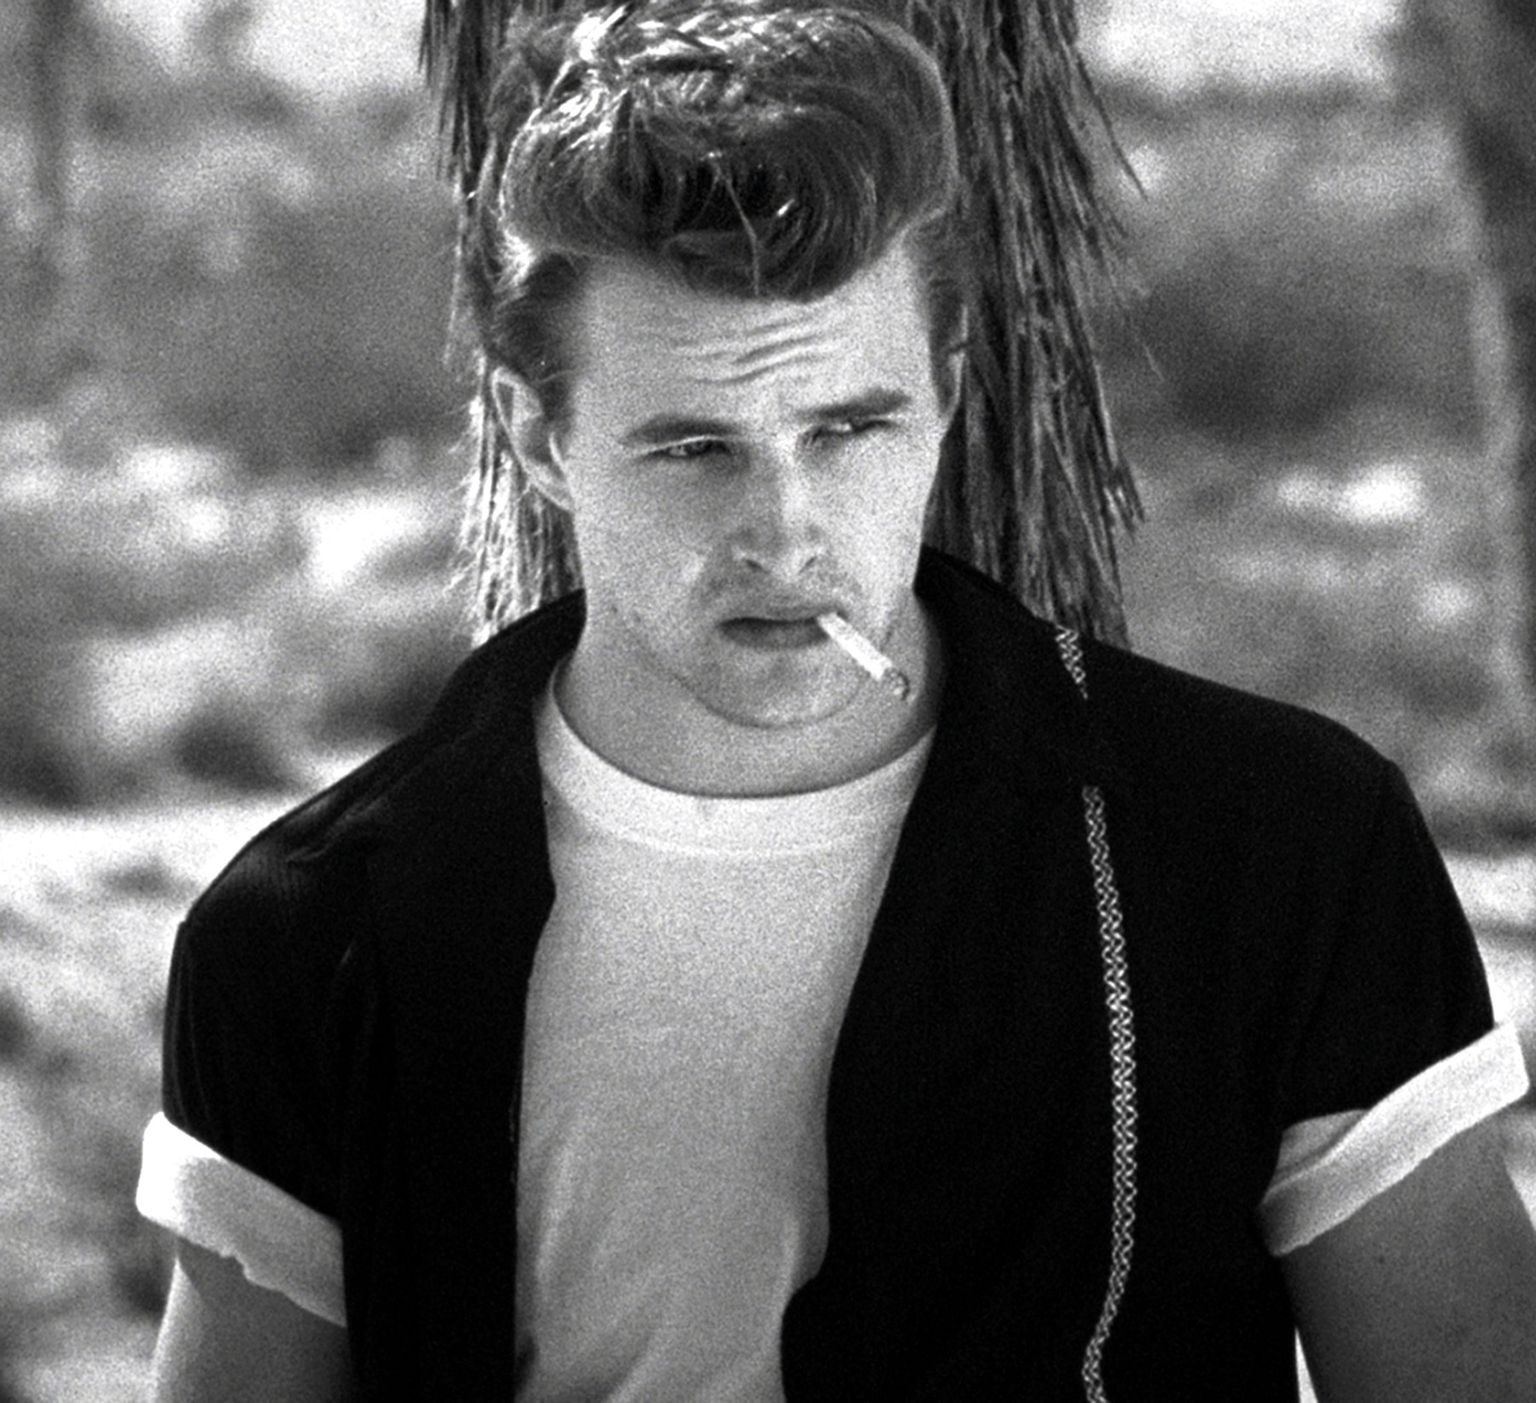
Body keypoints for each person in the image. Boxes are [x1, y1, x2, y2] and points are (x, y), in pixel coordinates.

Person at [136, 2, 1536, 1398]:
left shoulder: (1276, 849)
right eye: (693, 447)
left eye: (850, 429)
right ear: (538, 440)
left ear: (947, 392)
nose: (784, 535)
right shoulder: (307, 940)